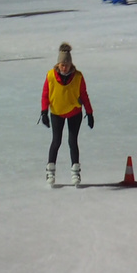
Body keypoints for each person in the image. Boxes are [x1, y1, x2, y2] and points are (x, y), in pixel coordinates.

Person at [39, 43, 93, 186]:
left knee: (72, 141)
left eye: (67, 65)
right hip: (57, 112)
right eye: (62, 64)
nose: (64, 67)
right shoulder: (50, 75)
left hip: (74, 113)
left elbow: (84, 94)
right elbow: (45, 94)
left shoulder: (78, 77)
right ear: (58, 64)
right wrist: (44, 111)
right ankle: (50, 171)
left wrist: (89, 112)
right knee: (56, 141)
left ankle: (75, 172)